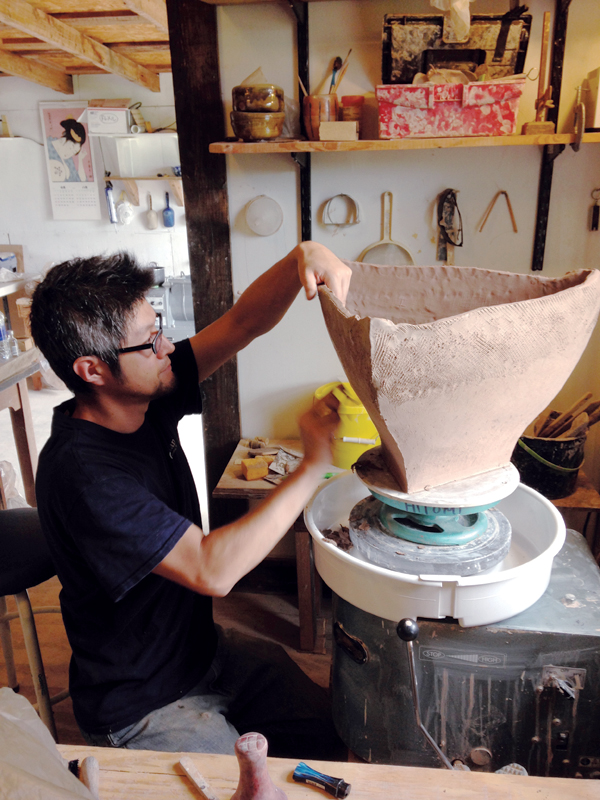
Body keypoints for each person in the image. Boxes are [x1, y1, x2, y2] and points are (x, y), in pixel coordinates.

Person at [30, 243, 351, 759]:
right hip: (142, 702)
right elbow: (211, 569)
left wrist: (301, 258)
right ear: (92, 370)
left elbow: (243, 323)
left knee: (335, 731)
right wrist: (312, 466)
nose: (166, 348)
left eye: (159, 329)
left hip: (201, 654)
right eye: (149, 342)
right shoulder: (85, 476)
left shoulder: (143, 391)